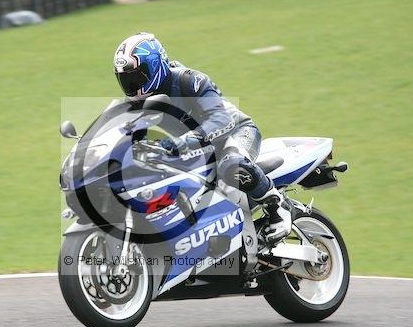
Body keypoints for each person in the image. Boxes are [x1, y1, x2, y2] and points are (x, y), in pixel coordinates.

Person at [113, 32, 291, 243]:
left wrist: (183, 142)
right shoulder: (136, 102)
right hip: (197, 149)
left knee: (232, 166)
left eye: (136, 77)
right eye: (126, 80)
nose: (132, 86)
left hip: (235, 133)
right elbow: (121, 131)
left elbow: (221, 121)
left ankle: (278, 208)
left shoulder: (190, 81)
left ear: (154, 67)